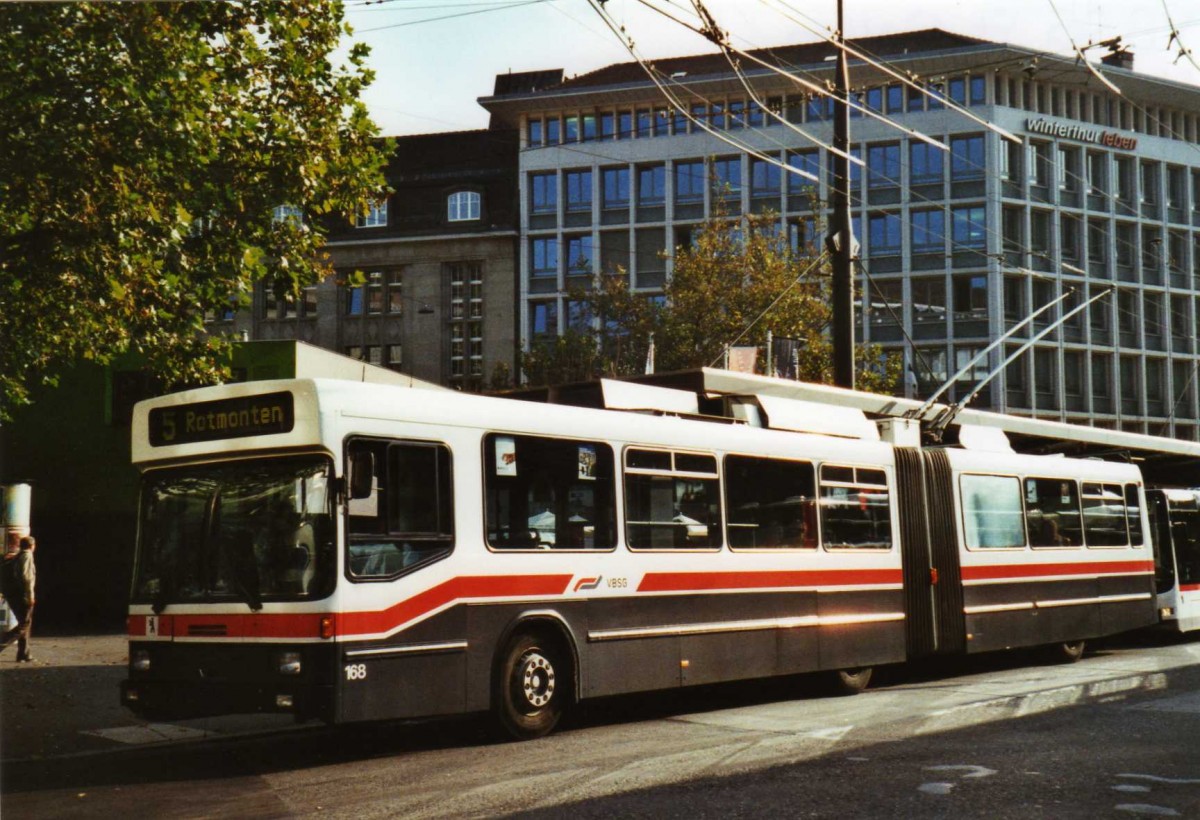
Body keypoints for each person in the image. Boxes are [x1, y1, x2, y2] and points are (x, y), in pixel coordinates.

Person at [1, 535, 37, 662]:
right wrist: (30, 596)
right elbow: (27, 578)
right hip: (22, 595)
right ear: (32, 546)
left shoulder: (16, 556)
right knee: (24, 625)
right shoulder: (27, 556)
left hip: (13, 595)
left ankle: (24, 653)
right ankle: (2, 643)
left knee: (25, 622)